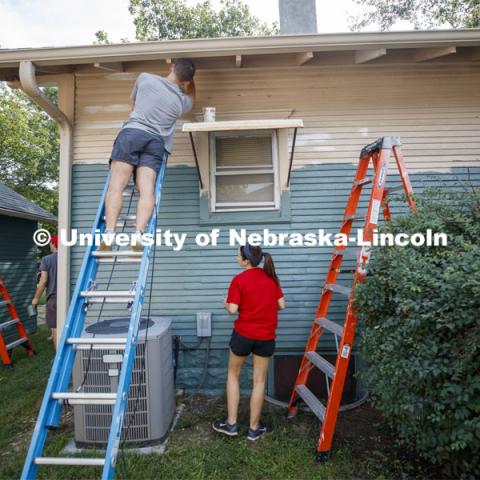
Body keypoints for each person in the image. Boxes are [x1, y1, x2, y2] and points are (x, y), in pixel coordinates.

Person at [100, 59, 196, 251]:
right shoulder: (182, 102)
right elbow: (192, 97)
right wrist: (189, 83)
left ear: (171, 67)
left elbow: (133, 106)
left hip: (132, 133)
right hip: (156, 143)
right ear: (186, 82)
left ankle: (109, 235)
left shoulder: (145, 78)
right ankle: (138, 235)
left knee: (117, 186)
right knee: (146, 190)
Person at [213, 244, 285, 441]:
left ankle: (232, 424)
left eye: (238, 256)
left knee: (233, 375)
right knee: (259, 381)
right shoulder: (271, 278)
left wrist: (225, 303)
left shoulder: (239, 279)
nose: (236, 258)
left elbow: (233, 309)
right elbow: (281, 305)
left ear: (246, 261)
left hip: (243, 335)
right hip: (266, 336)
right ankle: (254, 429)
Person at [32, 235, 58, 347]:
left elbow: (43, 281)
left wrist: (36, 298)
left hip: (53, 298)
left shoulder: (47, 259)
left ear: (53, 244)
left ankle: (59, 359)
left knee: (56, 327)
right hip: (70, 297)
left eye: (50, 244)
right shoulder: (70, 257)